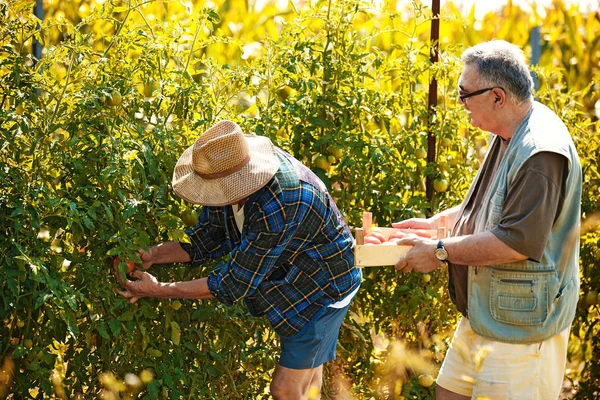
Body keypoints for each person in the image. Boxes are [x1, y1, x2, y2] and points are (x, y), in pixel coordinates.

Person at [115, 120, 362, 399]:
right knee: (307, 388)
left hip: (322, 289)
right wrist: (154, 253)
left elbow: (232, 284)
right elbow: (206, 239)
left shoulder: (280, 204)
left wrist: (158, 290)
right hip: (292, 281)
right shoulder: (232, 180)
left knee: (285, 390)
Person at [393, 40, 582, 399]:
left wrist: (438, 251)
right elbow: (496, 208)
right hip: (489, 310)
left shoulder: (540, 152)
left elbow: (515, 241)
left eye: (464, 94)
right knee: (448, 392)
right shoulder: (509, 130)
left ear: (497, 96)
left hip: (522, 326)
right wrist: (439, 223)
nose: (460, 102)